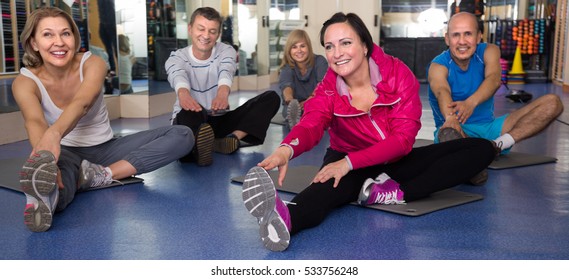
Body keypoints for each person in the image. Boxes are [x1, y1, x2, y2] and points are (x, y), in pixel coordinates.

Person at [241, 12, 497, 251]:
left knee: (482, 149)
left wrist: (350, 163)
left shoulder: (398, 75)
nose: (336, 53)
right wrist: (287, 149)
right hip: (346, 156)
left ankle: (388, 193)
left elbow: (403, 140)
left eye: (345, 43)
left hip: (394, 158)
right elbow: (311, 122)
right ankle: (285, 219)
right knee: (326, 188)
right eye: (329, 47)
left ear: (364, 46)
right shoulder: (328, 88)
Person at [13, 7, 193, 232]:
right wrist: (45, 157)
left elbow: (82, 103)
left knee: (183, 134)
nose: (59, 42)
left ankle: (99, 175)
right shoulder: (25, 82)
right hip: (66, 153)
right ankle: (48, 198)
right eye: (48, 34)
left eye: (66, 33)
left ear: (75, 38)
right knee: (60, 184)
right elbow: (34, 121)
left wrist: (54, 133)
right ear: (33, 43)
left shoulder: (93, 63)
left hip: (107, 149)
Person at [427, 13, 563, 158]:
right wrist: (451, 118)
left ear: (479, 36)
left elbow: (494, 79)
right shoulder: (438, 65)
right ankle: (473, 154)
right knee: (449, 135)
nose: (462, 41)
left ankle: (496, 146)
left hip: (490, 130)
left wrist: (470, 103)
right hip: (455, 129)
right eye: (456, 35)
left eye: (468, 34)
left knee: (553, 103)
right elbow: (442, 91)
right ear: (447, 39)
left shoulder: (489, 51)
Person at [165, 7, 280, 166]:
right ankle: (197, 148)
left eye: (212, 31)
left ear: (218, 34)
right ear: (190, 29)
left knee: (271, 98)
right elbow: (178, 75)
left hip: (218, 119)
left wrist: (222, 93)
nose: (206, 36)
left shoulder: (226, 51)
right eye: (201, 29)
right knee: (187, 116)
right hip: (192, 118)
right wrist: (183, 94)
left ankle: (231, 139)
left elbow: (226, 71)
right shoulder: (176, 57)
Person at [278, 29, 328, 128]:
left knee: (317, 107)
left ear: (308, 47)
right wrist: (291, 100)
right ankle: (299, 119)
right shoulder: (287, 67)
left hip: (316, 100)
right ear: (289, 50)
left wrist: (309, 100)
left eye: (302, 46)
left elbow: (322, 85)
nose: (299, 50)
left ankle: (309, 119)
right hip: (297, 105)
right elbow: (286, 86)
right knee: (290, 111)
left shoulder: (320, 61)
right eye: (294, 47)